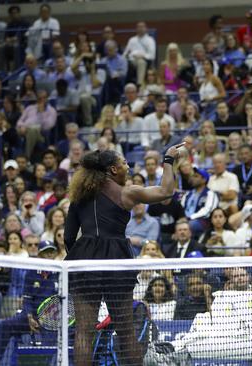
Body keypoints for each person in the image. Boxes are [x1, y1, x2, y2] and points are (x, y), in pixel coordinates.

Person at [64, 144, 184, 365]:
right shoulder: (126, 192)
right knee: (126, 329)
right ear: (113, 169)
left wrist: (80, 260)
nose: (127, 166)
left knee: (83, 331)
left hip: (84, 262)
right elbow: (166, 191)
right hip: (116, 262)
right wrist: (168, 160)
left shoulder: (78, 196)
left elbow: (69, 238)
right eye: (123, 163)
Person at [0, 241, 58, 366]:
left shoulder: (60, 273)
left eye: (51, 252)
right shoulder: (31, 273)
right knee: (6, 325)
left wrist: (46, 318)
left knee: (47, 349)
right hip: (31, 317)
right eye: (46, 252)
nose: (49, 255)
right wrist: (29, 317)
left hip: (51, 319)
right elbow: (27, 299)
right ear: (40, 255)